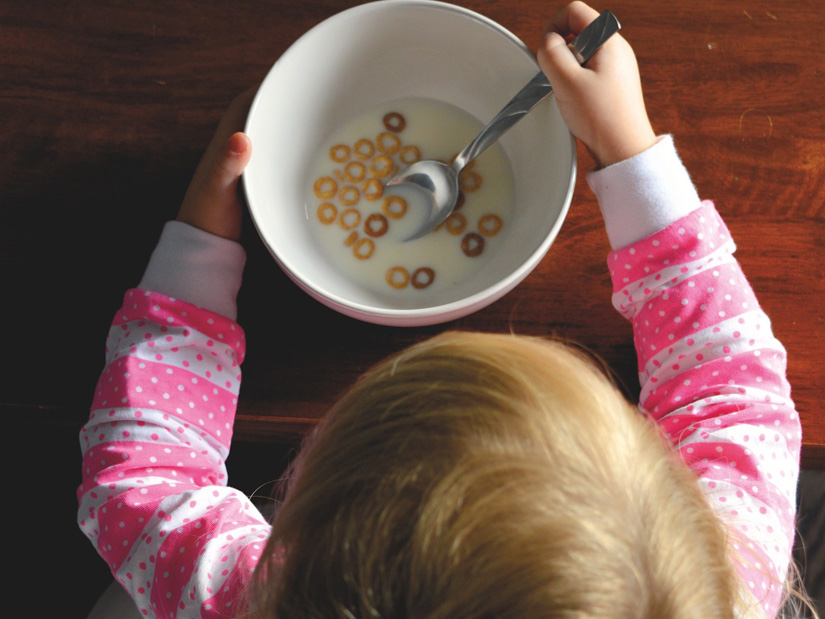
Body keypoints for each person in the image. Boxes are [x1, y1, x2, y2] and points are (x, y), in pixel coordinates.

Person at [78, 2, 810, 617]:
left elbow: (142, 480)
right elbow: (733, 394)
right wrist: (630, 153)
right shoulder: (709, 581)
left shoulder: (254, 597)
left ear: (303, 525)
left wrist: (198, 246)